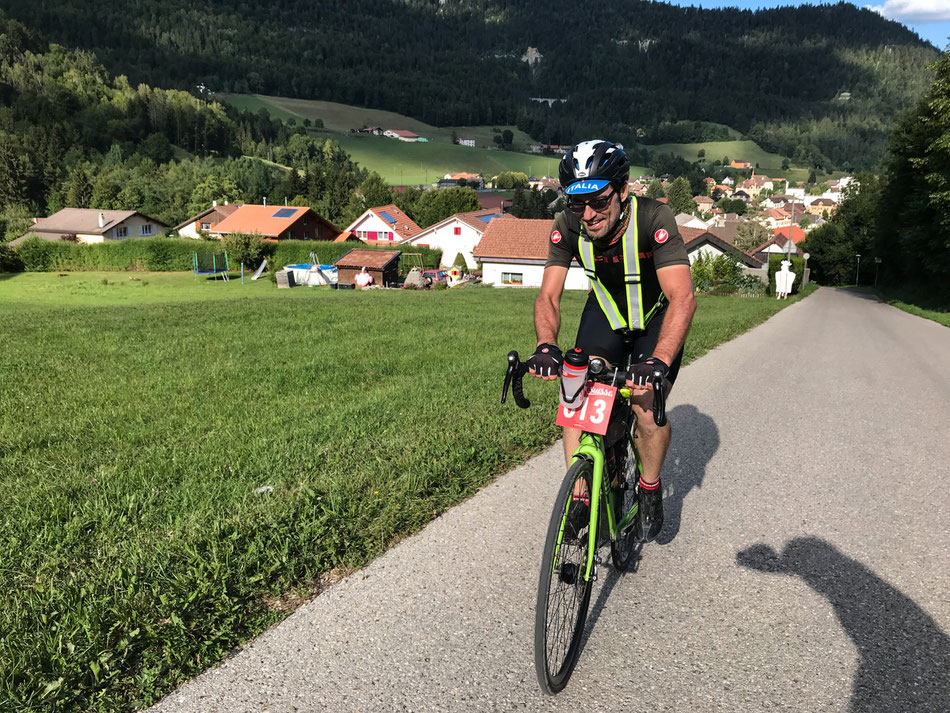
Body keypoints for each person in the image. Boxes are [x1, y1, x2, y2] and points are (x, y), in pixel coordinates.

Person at [526, 140, 696, 542]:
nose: (587, 215)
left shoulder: (655, 217)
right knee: (574, 394)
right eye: (575, 203)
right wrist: (546, 345)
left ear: (622, 190)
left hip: (655, 320)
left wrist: (659, 361)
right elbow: (548, 295)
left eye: (599, 202)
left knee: (643, 407)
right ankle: (581, 495)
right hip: (605, 315)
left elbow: (683, 298)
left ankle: (650, 486)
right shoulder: (567, 225)